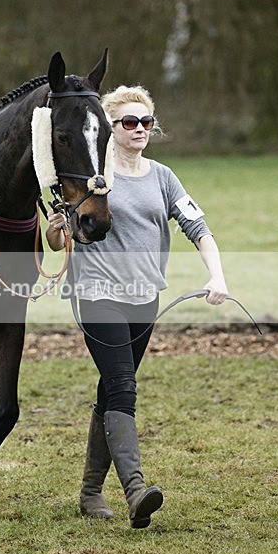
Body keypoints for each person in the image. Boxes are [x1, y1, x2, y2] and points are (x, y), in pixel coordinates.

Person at [46, 85, 228, 529]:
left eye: (146, 122)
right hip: (96, 294)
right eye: (130, 122)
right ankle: (135, 489)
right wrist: (57, 231)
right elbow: (54, 240)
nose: (140, 129)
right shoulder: (91, 178)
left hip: (146, 299)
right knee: (124, 386)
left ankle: (90, 492)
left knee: (111, 390)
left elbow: (197, 226)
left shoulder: (163, 178)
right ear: (111, 127)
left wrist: (217, 274)